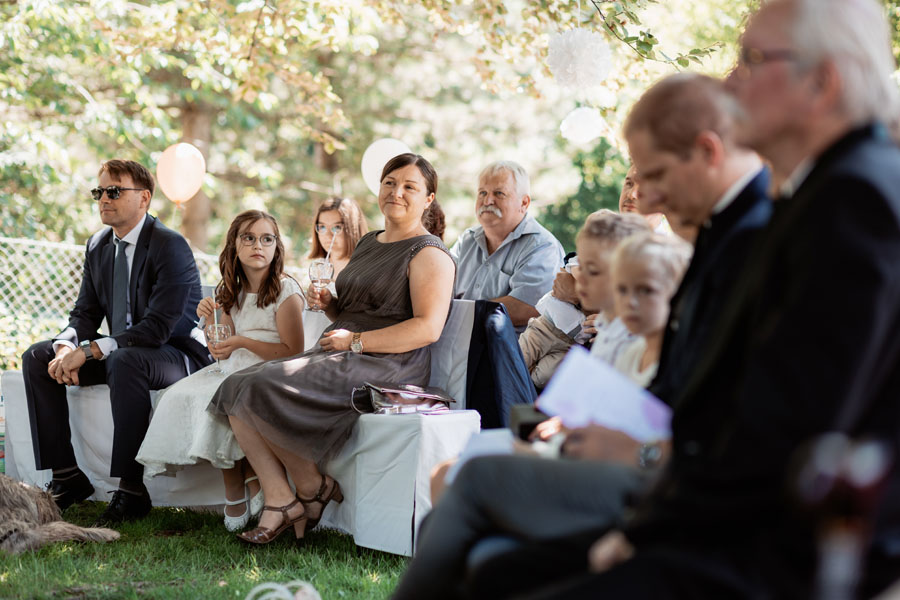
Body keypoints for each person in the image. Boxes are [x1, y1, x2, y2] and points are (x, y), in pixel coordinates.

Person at [523, 0, 900, 597]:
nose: (730, 80)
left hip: (782, 554)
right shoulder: (823, 192)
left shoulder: (854, 200)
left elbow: (787, 432)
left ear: (822, 80)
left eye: (752, 59)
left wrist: (649, 527)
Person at [391, 72, 775, 600]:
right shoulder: (716, 241)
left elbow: (743, 429)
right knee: (472, 545)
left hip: (679, 487)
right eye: (634, 181)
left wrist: (640, 453)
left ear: (709, 152)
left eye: (655, 176)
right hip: (644, 458)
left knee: (478, 481)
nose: (645, 197)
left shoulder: (748, 247)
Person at [208, 153, 456, 545]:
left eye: (410, 186)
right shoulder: (370, 242)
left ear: (428, 199)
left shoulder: (429, 253)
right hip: (342, 349)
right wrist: (331, 306)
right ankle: (285, 496)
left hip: (388, 365)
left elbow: (427, 328)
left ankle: (310, 489)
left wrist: (357, 341)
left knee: (259, 387)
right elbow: (359, 310)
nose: (397, 192)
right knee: (234, 387)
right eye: (390, 182)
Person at [21, 159, 210, 525]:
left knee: (125, 360)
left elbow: (158, 328)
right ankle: (67, 477)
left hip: (175, 354)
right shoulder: (97, 245)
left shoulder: (169, 245)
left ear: (144, 199)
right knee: (37, 358)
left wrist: (91, 350)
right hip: (123, 351)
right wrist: (66, 344)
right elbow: (85, 314)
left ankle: (132, 489)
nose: (103, 199)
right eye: (99, 192)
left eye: (114, 191)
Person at [136, 210, 305, 532]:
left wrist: (242, 341)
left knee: (224, 397)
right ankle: (245, 478)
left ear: (276, 247)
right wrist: (211, 315)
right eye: (249, 238)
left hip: (270, 368)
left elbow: (293, 352)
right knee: (181, 394)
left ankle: (241, 484)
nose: (259, 245)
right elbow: (220, 349)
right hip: (234, 366)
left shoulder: (286, 291)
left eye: (267, 239)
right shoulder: (229, 291)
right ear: (234, 247)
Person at [517, 210, 648, 388]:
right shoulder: (608, 330)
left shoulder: (629, 335)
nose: (581, 280)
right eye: (582, 266)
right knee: (516, 365)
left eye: (593, 271)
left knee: (538, 376)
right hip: (550, 329)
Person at [450, 161, 563, 330]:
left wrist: (454, 313)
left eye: (499, 193)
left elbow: (526, 307)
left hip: (507, 352)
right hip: (456, 346)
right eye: (482, 193)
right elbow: (439, 286)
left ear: (524, 203)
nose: (487, 200)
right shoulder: (467, 240)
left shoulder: (542, 246)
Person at [609, 233, 691, 388]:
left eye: (646, 290)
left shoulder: (683, 362)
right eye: (622, 289)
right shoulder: (631, 354)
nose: (630, 302)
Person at [303, 197, 368, 350]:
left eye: (337, 228)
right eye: (322, 227)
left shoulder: (363, 270)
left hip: (338, 350)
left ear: (353, 228)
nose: (328, 235)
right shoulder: (318, 268)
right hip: (307, 344)